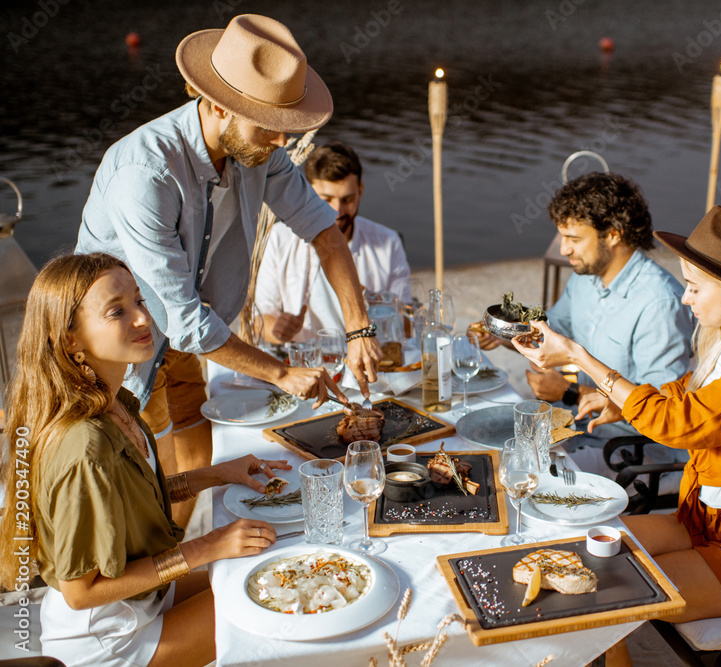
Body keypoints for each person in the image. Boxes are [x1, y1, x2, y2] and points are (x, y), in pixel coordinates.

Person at [75, 15, 381, 526]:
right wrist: (282, 373)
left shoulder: (263, 150)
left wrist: (359, 328)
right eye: (269, 126)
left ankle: (186, 553)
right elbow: (185, 317)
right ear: (218, 104)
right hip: (117, 350)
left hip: (189, 335)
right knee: (139, 487)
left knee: (195, 462)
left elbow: (326, 235)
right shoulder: (144, 171)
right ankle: (151, 585)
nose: (282, 143)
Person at [514, 206, 721, 640]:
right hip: (697, 522)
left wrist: (579, 357)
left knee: (595, 596)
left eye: (694, 287)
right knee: (576, 552)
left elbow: (680, 424)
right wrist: (619, 402)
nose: (685, 298)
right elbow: (683, 393)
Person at [0, 253, 288, 667]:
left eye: (138, 300)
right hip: (110, 637)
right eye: (117, 310)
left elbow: (131, 502)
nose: (142, 318)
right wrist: (206, 546)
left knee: (265, 567)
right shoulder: (83, 446)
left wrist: (216, 473)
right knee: (267, 608)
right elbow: (81, 591)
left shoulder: (116, 403)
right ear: (70, 340)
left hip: (144, 599)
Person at [479, 172, 694, 477]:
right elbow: (555, 333)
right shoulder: (587, 279)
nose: (564, 250)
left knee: (521, 473)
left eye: (574, 239)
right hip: (577, 430)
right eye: (562, 237)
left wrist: (570, 393)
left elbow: (660, 411)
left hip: (629, 451)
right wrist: (505, 331)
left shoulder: (660, 302)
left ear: (614, 234)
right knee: (491, 451)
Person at [255, 142, 412, 344]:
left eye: (347, 200)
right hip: (305, 360)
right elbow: (260, 320)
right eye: (326, 199)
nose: (336, 211)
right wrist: (279, 331)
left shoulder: (388, 242)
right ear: (307, 194)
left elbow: (407, 324)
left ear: (360, 191)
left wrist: (374, 306)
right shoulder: (278, 239)